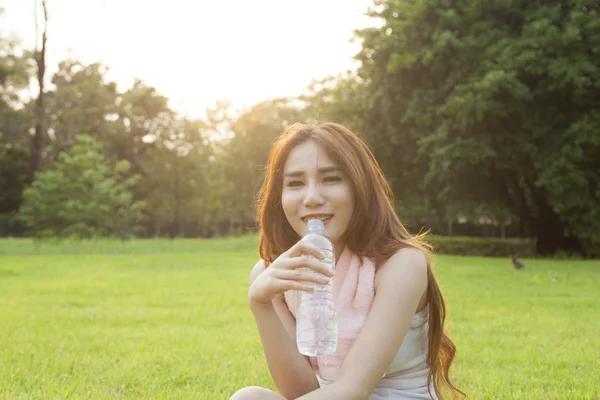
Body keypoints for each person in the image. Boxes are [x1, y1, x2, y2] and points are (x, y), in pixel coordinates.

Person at [230, 122, 464, 400]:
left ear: (359, 186)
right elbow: (300, 391)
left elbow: (353, 389)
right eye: (295, 183)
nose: (312, 198)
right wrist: (261, 304)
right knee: (248, 398)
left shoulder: (401, 264)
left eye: (331, 179)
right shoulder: (274, 275)